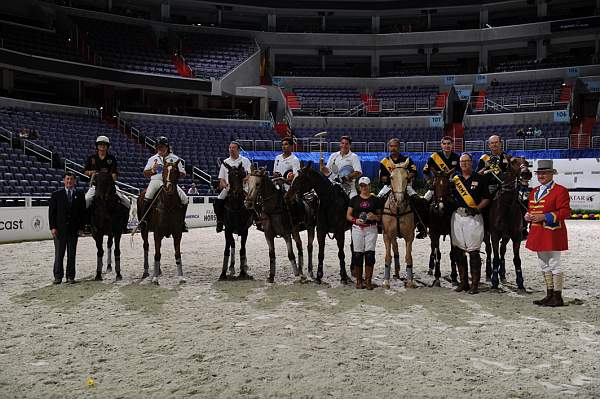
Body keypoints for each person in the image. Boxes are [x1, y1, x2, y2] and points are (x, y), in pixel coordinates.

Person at [525, 160, 571, 307]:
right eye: (539, 173)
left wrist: (545, 216)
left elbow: (565, 212)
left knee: (554, 263)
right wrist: (528, 216)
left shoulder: (560, 190)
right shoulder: (534, 191)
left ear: (552, 174)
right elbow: (532, 210)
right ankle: (549, 295)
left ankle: (558, 297)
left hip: (552, 233)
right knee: (543, 264)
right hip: (537, 232)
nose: (541, 176)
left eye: (544, 173)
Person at [450, 153, 491, 294]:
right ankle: (463, 282)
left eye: (467, 161)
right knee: (458, 251)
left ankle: (475, 284)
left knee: (473, 252)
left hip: (474, 218)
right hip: (457, 217)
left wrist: (477, 208)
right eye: (462, 162)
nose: (464, 164)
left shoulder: (479, 178)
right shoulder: (455, 180)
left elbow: (486, 198)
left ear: (471, 163)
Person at [378, 137, 427, 239]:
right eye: (391, 146)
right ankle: (379, 224)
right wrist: (391, 179)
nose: (393, 148)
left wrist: (404, 178)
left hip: (405, 186)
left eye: (395, 146)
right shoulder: (384, 161)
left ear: (399, 147)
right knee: (378, 200)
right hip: (389, 186)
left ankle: (421, 226)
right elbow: (382, 176)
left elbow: (414, 172)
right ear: (388, 147)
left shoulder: (406, 160)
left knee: (418, 201)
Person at [140, 136, 189, 230]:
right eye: (158, 147)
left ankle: (182, 221)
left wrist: (174, 172)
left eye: (162, 146)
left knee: (185, 199)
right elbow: (145, 173)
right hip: (156, 180)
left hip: (170, 182)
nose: (160, 149)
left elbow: (183, 173)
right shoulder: (152, 159)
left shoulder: (175, 158)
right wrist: (153, 169)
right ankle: (144, 221)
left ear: (167, 146)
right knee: (148, 195)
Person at [48, 172, 86, 284]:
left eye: (71, 179)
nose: (69, 181)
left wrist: (81, 228)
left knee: (71, 254)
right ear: (64, 180)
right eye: (67, 179)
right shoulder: (56, 195)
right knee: (59, 254)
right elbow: (52, 213)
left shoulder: (80, 194)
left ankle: (70, 276)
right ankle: (58, 276)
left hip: (73, 230)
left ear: (74, 181)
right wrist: (53, 227)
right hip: (59, 230)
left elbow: (82, 213)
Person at [346, 176, 382, 290]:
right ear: (359, 187)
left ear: (369, 185)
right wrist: (355, 220)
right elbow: (348, 215)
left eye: (365, 185)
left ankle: (368, 280)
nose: (363, 188)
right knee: (357, 254)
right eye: (361, 186)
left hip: (371, 228)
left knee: (370, 254)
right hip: (357, 228)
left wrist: (374, 216)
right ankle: (358, 281)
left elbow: (380, 216)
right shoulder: (354, 199)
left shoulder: (375, 200)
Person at [213, 141, 252, 233]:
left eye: (233, 148)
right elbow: (221, 178)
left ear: (238, 150)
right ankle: (219, 221)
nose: (231, 149)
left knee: (253, 200)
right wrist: (224, 184)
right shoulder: (225, 162)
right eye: (230, 148)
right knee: (218, 201)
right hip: (229, 188)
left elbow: (250, 174)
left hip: (243, 188)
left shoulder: (245, 161)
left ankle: (257, 219)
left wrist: (246, 178)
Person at [83, 136, 130, 210]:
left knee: (126, 201)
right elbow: (85, 172)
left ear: (107, 146)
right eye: (100, 144)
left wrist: (111, 177)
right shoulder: (91, 158)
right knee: (86, 200)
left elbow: (114, 174)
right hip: (96, 185)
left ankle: (128, 220)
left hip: (109, 186)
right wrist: (91, 172)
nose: (102, 146)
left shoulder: (112, 158)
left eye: (104, 144)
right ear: (97, 146)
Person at [422, 136, 461, 201]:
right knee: (424, 201)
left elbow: (460, 172)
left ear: (452, 145)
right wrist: (430, 182)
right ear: (441, 145)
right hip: (437, 186)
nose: (447, 145)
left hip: (451, 186)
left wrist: (454, 179)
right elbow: (425, 172)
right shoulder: (434, 157)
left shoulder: (457, 157)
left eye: (449, 143)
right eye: (444, 144)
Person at [518, 167, 533, 240]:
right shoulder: (516, 186)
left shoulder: (530, 189)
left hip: (525, 205)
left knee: (525, 215)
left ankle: (524, 230)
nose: (525, 177)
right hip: (518, 204)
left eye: (527, 175)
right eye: (524, 175)